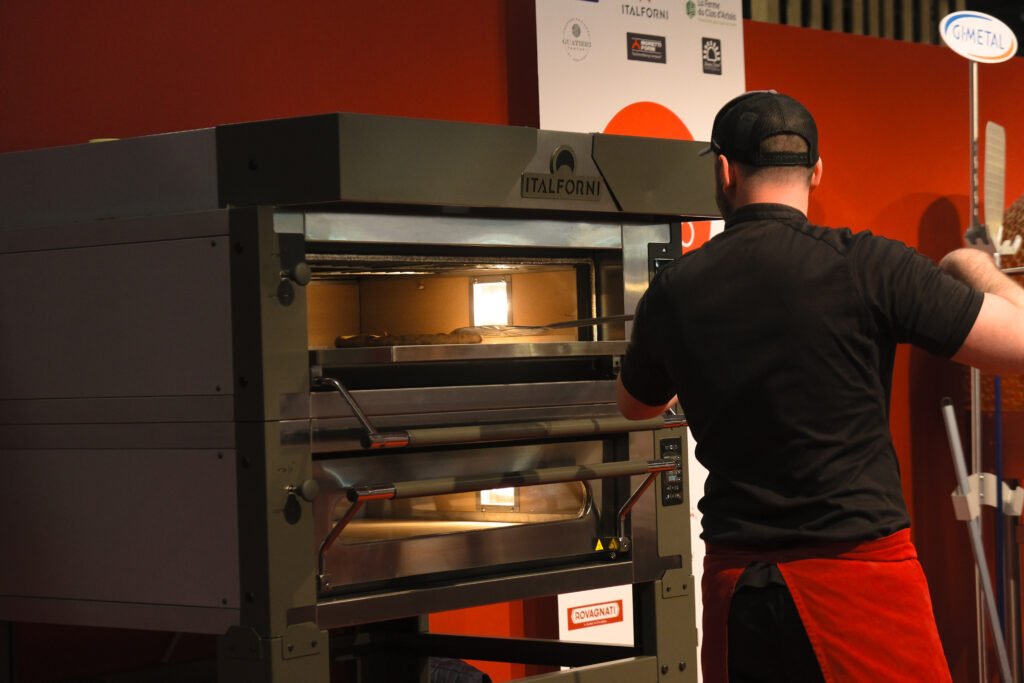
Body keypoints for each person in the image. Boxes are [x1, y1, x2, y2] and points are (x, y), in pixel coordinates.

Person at [615, 90, 1024, 682]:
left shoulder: (674, 290)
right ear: (817, 171)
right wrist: (975, 266)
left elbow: (634, 406)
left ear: (724, 171)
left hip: (743, 591)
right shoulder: (870, 265)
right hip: (862, 582)